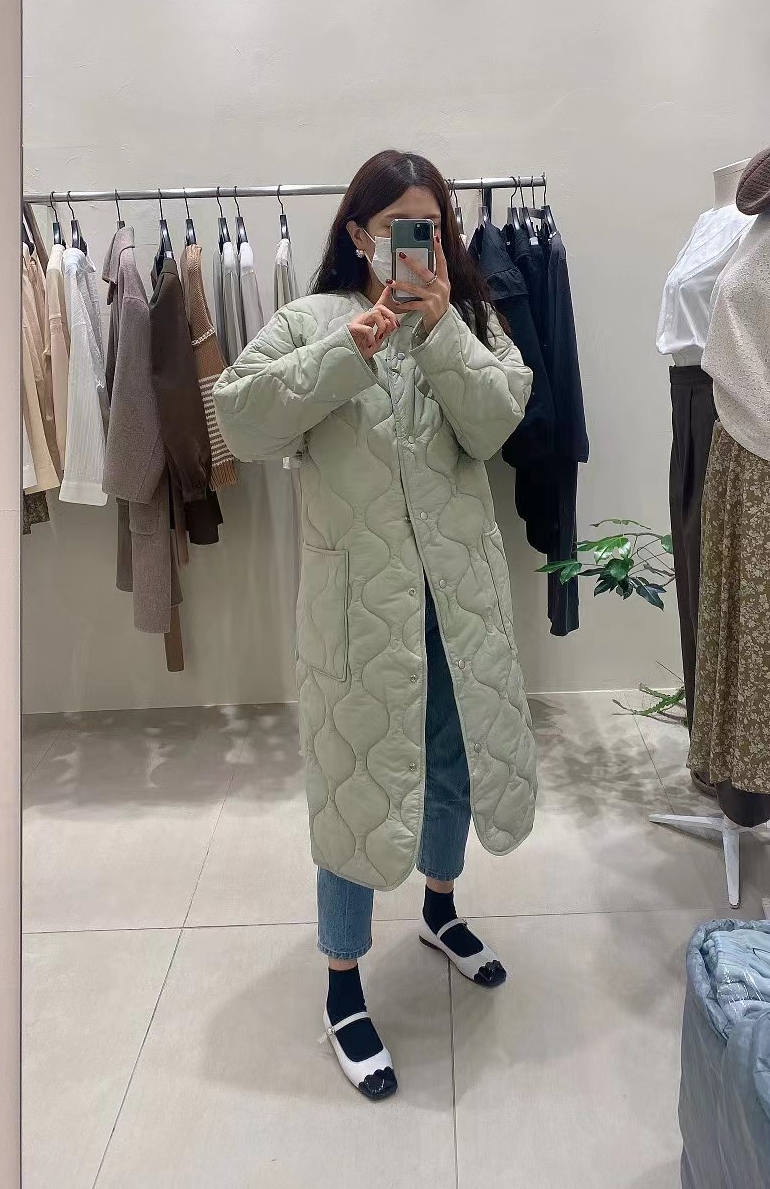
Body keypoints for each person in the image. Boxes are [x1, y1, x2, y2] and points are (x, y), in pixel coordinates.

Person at [213, 150, 538, 1101]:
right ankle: (343, 984)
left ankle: (439, 907)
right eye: (399, 226)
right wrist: (346, 353)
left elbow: (496, 424)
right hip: (358, 611)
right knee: (354, 784)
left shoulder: (470, 320)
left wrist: (439, 331)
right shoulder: (312, 320)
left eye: (431, 225)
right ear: (359, 234)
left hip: (458, 600)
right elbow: (240, 420)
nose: (417, 243)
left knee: (451, 762)